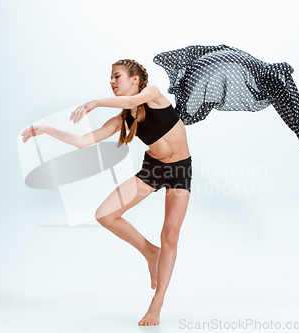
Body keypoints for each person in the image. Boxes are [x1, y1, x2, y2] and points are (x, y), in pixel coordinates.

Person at [21, 59, 192, 326]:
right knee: (105, 214)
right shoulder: (123, 117)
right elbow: (83, 141)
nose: (112, 82)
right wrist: (48, 130)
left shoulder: (153, 95)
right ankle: (150, 252)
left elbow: (128, 101)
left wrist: (95, 103)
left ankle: (156, 305)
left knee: (170, 234)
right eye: (111, 78)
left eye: (117, 77)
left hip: (180, 170)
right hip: (153, 169)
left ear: (135, 80)